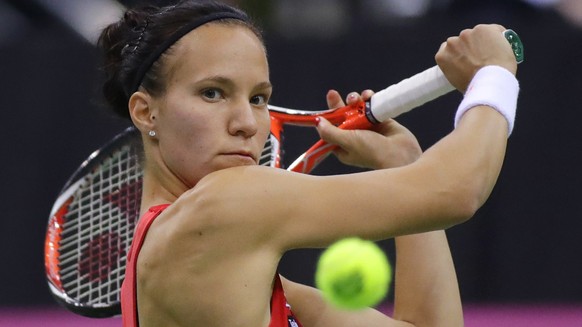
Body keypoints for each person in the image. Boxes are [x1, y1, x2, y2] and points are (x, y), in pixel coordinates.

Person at [97, 0, 519, 326]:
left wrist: (404, 161)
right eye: (212, 93)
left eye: (258, 98)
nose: (246, 123)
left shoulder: (206, 253)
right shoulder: (226, 206)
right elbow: (456, 190)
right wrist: (494, 76)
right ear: (145, 112)